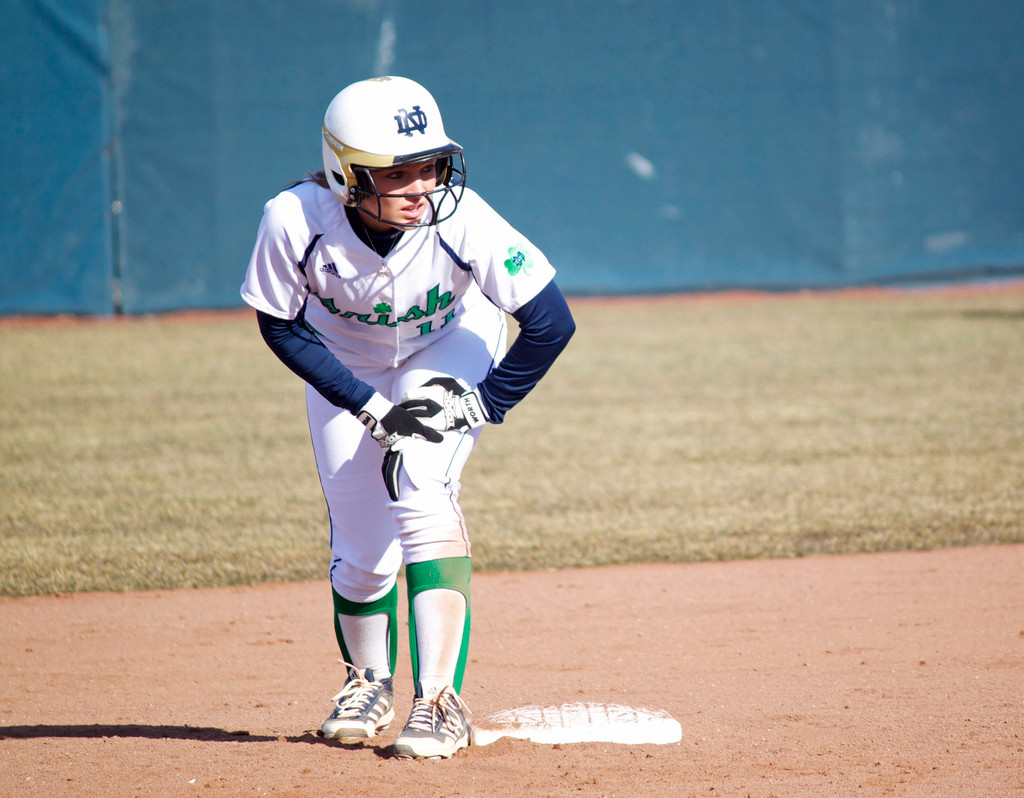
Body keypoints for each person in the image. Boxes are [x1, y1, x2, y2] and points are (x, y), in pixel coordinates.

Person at [240, 76, 575, 759]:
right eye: (398, 173)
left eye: (429, 166)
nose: (422, 185)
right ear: (345, 173)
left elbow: (549, 321)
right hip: (347, 365)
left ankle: (440, 703)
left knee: (421, 482)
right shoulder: (294, 219)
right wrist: (364, 404)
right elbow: (279, 325)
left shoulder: (462, 218)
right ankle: (367, 681)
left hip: (447, 347)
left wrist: (482, 402)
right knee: (361, 550)